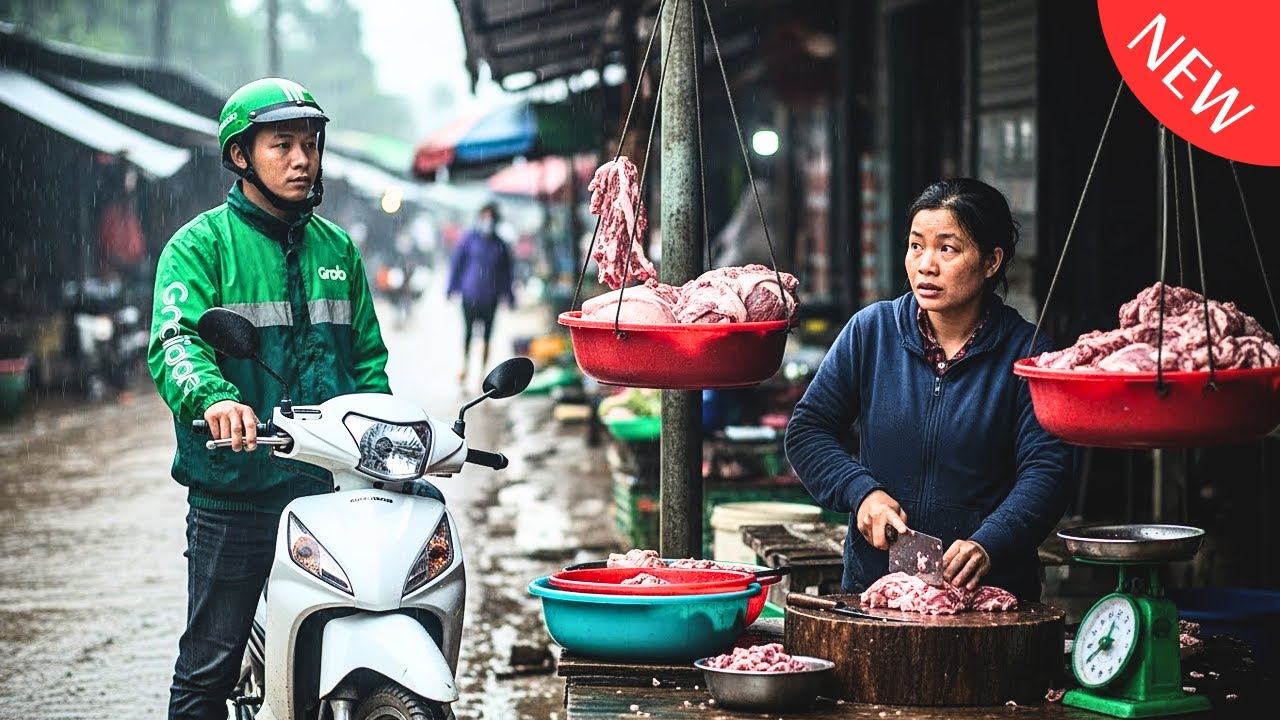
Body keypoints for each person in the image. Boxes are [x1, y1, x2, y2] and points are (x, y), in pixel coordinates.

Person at [147, 77, 390, 720]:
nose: (302, 159)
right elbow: (175, 344)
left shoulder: (339, 249)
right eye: (282, 144)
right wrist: (215, 399)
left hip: (330, 492)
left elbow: (368, 365)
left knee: (349, 641)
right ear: (239, 155)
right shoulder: (200, 247)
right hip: (237, 491)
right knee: (209, 666)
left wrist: (391, 437)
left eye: (310, 144)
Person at [783, 178, 1073, 603]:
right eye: (916, 246)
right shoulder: (872, 332)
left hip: (990, 596)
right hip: (878, 591)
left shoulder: (1028, 353)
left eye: (947, 249)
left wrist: (990, 541)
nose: (926, 265)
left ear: (991, 261)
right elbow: (808, 431)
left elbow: (1048, 469)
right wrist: (862, 493)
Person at [446, 202, 515, 382]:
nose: (488, 221)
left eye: (491, 218)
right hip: (469, 296)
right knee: (468, 333)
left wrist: (510, 296)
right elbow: (457, 265)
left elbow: (507, 274)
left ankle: (482, 373)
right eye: (485, 217)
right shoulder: (468, 240)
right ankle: (465, 366)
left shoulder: (500, 245)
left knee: (487, 337)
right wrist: (451, 288)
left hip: (491, 298)